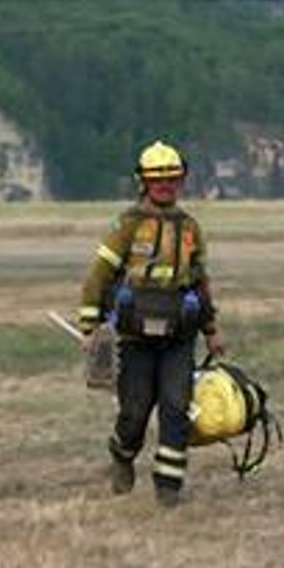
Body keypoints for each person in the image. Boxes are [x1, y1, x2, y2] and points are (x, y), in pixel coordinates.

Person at [75, 140, 226, 507]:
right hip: (134, 338)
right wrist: (89, 327)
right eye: (157, 180)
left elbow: (200, 282)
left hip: (178, 338)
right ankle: (122, 455)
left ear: (181, 181)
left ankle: (168, 491)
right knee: (135, 413)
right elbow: (98, 274)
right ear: (143, 182)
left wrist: (212, 330)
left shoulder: (190, 228)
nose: (165, 186)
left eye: (172, 179)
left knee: (177, 410)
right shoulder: (126, 226)